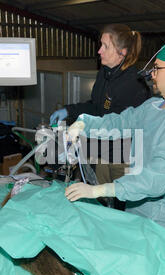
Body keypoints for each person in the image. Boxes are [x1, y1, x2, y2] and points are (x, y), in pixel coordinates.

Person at [64, 41, 165, 240]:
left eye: (158, 68)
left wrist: (97, 190)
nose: (152, 74)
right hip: (134, 207)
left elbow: (153, 180)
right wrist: (84, 123)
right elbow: (120, 122)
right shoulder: (153, 106)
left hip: (160, 223)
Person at [50, 24, 151, 194]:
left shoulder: (134, 84)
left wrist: (82, 133)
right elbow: (96, 107)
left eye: (105, 46)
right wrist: (69, 110)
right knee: (101, 201)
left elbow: (121, 126)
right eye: (101, 45)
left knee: (119, 205)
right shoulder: (105, 73)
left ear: (122, 52)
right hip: (105, 153)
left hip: (123, 158)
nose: (99, 51)